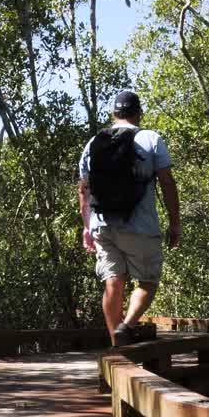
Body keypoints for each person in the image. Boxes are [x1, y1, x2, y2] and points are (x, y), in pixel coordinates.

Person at [77, 90, 181, 347]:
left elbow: (84, 189)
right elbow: (167, 183)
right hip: (140, 225)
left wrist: (86, 227)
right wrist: (175, 222)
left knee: (113, 281)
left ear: (114, 113)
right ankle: (126, 326)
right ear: (138, 113)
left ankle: (116, 346)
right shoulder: (150, 138)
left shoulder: (93, 143)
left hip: (101, 224)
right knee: (148, 281)